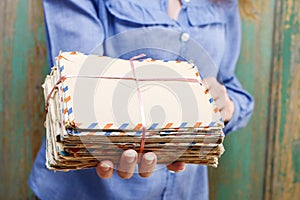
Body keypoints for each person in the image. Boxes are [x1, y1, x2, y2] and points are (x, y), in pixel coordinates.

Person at [29, 0, 254, 199]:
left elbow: (229, 85)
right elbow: (82, 87)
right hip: (87, 191)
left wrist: (226, 106)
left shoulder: (225, 3)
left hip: (186, 192)